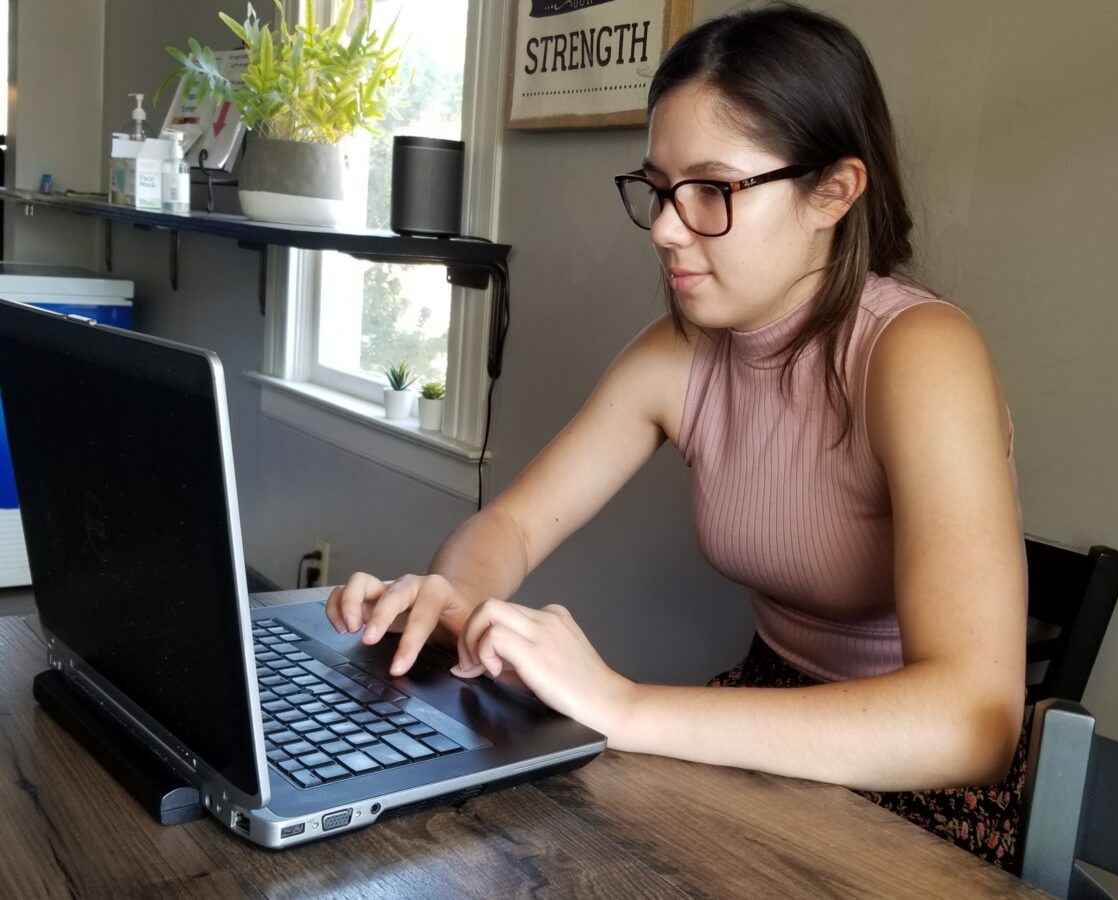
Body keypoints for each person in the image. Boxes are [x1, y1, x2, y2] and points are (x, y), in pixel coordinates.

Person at [328, 1, 1028, 869]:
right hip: (760, 718)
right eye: (659, 188)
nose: (665, 226)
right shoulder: (680, 353)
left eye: (712, 190)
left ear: (835, 192)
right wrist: (454, 598)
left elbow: (974, 722)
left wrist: (621, 705)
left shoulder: (920, 354)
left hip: (920, 788)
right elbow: (510, 526)